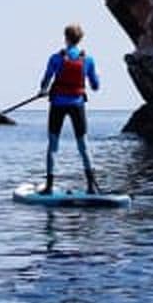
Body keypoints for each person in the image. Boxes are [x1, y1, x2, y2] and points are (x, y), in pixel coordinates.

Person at [38, 23, 100, 194]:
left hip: (58, 104)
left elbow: (46, 80)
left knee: (53, 145)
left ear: (65, 38)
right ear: (80, 39)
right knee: (83, 146)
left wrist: (43, 90)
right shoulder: (88, 60)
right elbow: (95, 86)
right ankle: (91, 187)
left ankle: (49, 187)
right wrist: (94, 77)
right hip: (77, 105)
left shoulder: (55, 58)